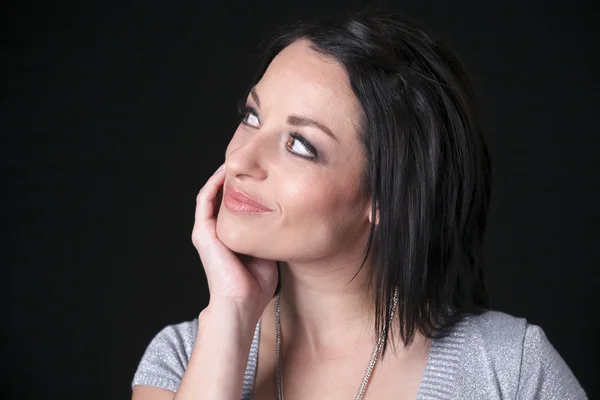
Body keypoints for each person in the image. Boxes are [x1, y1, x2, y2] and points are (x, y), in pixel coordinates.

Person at [130, 8, 587, 400]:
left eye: (300, 145)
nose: (239, 158)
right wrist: (230, 312)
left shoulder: (511, 371)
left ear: (387, 195)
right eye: (252, 117)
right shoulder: (183, 360)